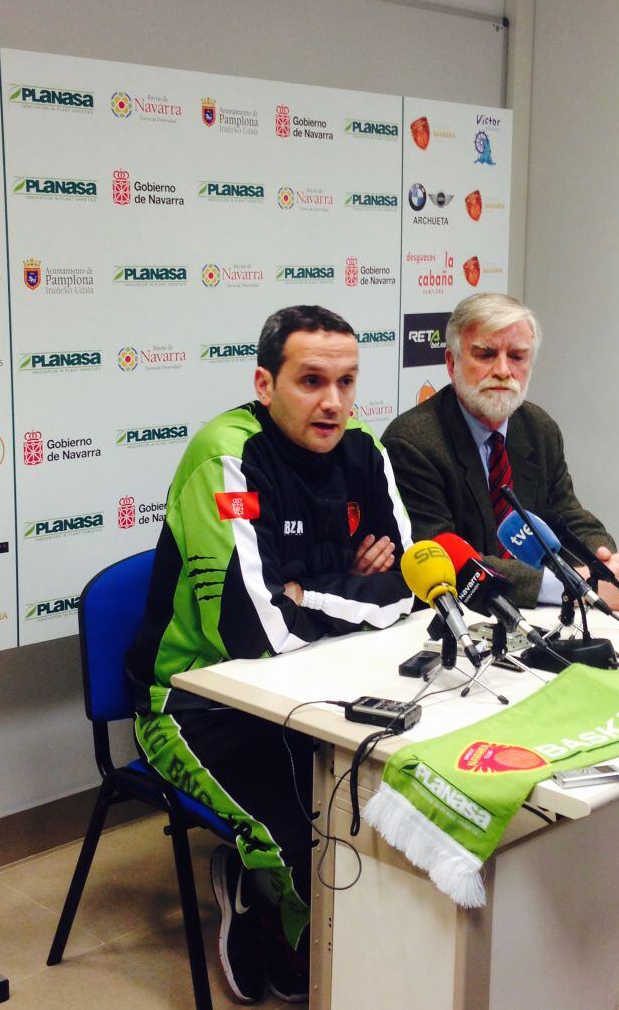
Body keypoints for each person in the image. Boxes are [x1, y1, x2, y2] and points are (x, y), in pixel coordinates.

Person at [127, 305, 412, 1004]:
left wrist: (302, 589)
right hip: (196, 698)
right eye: (311, 380)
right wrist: (352, 584)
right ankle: (263, 912)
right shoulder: (226, 454)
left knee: (382, 804)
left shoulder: (364, 447)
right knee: (298, 836)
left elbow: (417, 580)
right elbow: (255, 632)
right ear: (265, 382)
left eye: (347, 381)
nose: (334, 402)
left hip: (320, 685)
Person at [383, 293, 619, 611]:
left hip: (535, 616)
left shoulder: (538, 428)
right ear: (451, 362)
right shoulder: (414, 442)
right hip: (454, 619)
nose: (502, 370)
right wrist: (573, 586)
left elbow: (568, 516)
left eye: (517, 356)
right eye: (485, 355)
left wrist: (608, 565)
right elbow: (445, 557)